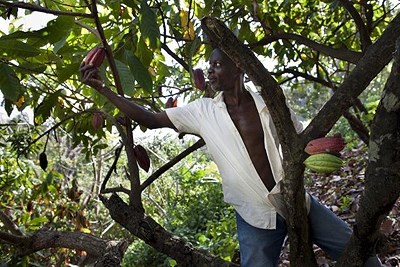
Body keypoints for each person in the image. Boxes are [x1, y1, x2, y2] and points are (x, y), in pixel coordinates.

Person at [80, 47, 382, 267]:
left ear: (238, 66)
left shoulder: (270, 99)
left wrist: (325, 149)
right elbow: (149, 119)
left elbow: (301, 141)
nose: (209, 71)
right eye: (208, 66)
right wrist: (105, 90)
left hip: (295, 198)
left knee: (359, 252)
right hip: (254, 214)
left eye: (216, 65)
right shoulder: (202, 111)